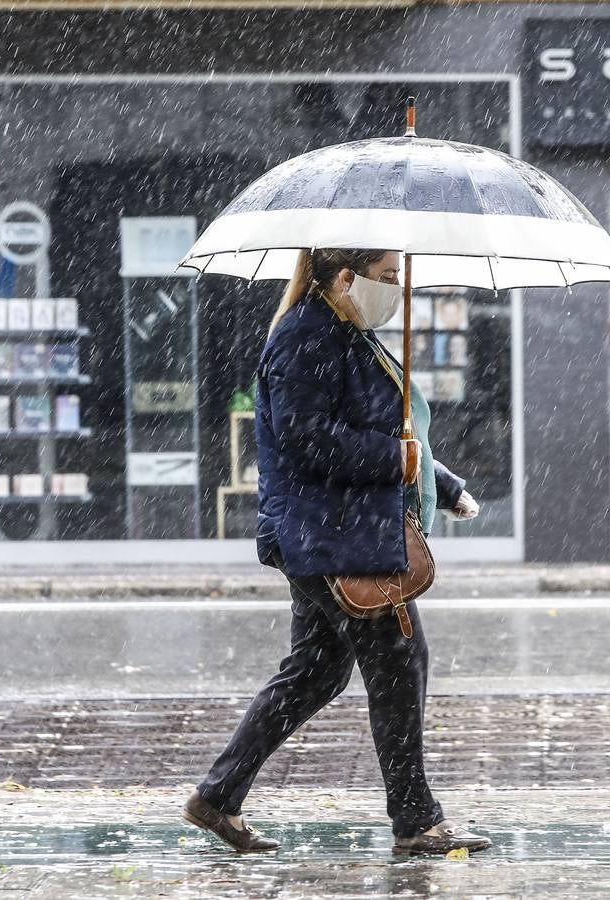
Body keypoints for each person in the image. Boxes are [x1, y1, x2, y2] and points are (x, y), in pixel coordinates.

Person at [183, 248, 489, 855]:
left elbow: (395, 427)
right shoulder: (307, 335)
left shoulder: (347, 332)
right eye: (387, 277)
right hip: (333, 536)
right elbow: (307, 439)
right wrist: (391, 461)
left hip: (339, 531)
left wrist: (442, 483)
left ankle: (217, 797)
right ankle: (416, 821)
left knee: (315, 673)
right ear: (346, 277)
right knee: (401, 660)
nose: (396, 289)